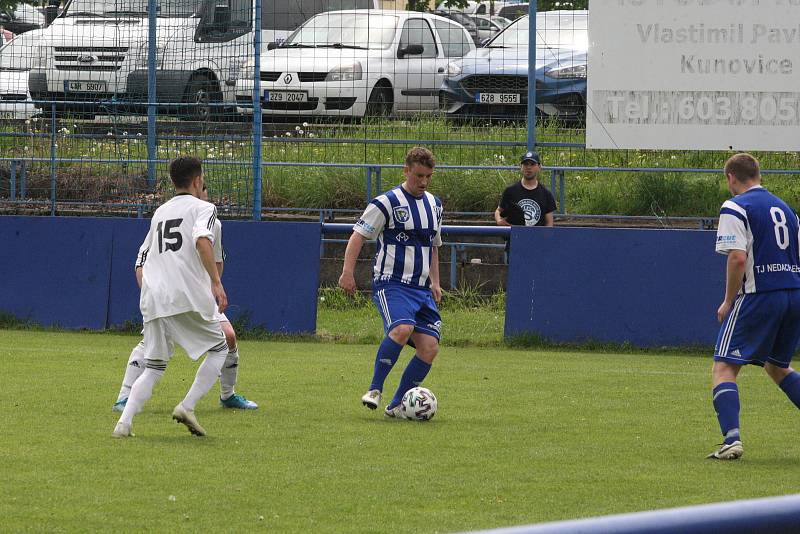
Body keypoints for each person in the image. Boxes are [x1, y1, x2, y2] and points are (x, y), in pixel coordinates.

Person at [113, 156, 231, 438]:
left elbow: (145, 257)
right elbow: (202, 239)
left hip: (153, 296)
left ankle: (123, 424)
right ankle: (188, 406)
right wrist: (216, 283)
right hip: (185, 294)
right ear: (198, 180)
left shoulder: (160, 212)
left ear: (172, 181)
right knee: (220, 348)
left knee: (154, 366)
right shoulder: (205, 207)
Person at [112, 185, 257, 414]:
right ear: (195, 185)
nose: (205, 194)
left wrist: (212, 285)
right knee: (150, 347)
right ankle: (124, 397)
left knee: (228, 336)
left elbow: (216, 261)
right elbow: (141, 260)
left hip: (196, 294)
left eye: (207, 191)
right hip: (168, 294)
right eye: (203, 188)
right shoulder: (164, 214)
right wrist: (152, 292)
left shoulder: (212, 221)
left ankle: (227, 395)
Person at [338, 147, 443, 418]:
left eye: (428, 176)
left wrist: (435, 281)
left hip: (421, 289)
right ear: (406, 170)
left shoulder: (434, 204)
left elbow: (434, 246)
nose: (423, 182)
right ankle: (374, 389)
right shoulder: (386, 202)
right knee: (402, 328)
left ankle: (396, 405)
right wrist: (347, 273)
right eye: (419, 175)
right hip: (392, 283)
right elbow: (358, 236)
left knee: (429, 348)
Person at [708, 153, 800, 460]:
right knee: (777, 366)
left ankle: (731, 439)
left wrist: (728, 300)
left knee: (724, 367)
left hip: (760, 294)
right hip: (793, 292)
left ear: (731, 178)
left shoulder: (736, 206)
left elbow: (737, 257)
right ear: (757, 175)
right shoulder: (786, 210)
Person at [494, 151, 556, 227]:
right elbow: (498, 210)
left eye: (532, 164)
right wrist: (499, 220)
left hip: (536, 237)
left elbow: (549, 223)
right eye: (526, 164)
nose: (529, 167)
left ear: (539, 167)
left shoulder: (546, 194)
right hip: (515, 237)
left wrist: (546, 237)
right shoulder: (510, 191)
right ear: (521, 167)